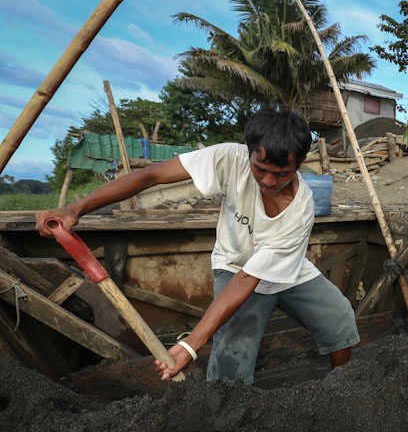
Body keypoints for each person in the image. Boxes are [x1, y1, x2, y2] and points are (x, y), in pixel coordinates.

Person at [35, 110, 360, 384]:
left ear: (300, 163)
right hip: (234, 263)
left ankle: (340, 388)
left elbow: (252, 279)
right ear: (248, 152)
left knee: (338, 315)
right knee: (232, 352)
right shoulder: (227, 159)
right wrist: (75, 209)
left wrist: (190, 346)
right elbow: (150, 176)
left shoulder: (301, 208)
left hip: (284, 268)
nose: (269, 182)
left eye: (281, 174)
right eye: (260, 170)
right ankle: (224, 419)